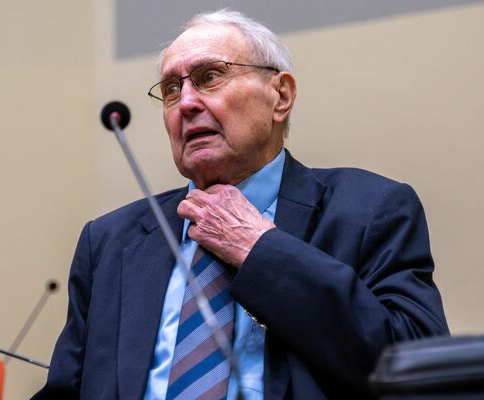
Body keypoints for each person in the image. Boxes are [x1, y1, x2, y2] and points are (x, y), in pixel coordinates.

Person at [33, 9, 448, 400]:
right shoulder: (109, 242)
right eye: (172, 89)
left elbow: (416, 368)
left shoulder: (371, 210)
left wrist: (260, 252)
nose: (187, 103)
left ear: (280, 95)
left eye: (209, 76)